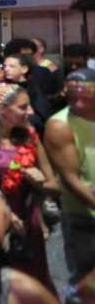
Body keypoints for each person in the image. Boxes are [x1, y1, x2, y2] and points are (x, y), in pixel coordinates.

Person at [0, 82, 59, 292]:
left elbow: (54, 186)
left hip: (28, 225)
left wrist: (39, 183)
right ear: (1, 109)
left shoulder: (29, 136)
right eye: (23, 107)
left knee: (33, 285)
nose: (30, 112)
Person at [45, 68, 95, 288]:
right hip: (82, 216)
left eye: (85, 94)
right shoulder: (59, 125)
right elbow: (70, 178)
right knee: (83, 285)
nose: (78, 102)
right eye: (72, 95)